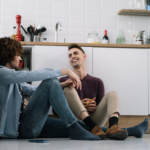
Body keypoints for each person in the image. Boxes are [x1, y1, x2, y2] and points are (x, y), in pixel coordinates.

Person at [0, 37, 101, 140]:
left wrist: (61, 85)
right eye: (17, 55)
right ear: (8, 55)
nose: (20, 58)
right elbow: (30, 75)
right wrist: (65, 71)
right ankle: (73, 127)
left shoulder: (12, 79)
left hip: (25, 122)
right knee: (51, 81)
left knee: (81, 125)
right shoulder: (2, 74)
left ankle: (106, 131)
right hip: (21, 130)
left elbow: (34, 90)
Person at [59, 43, 148, 140]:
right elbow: (57, 110)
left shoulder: (97, 82)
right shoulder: (64, 81)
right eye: (70, 55)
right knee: (68, 88)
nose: (72, 57)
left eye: (75, 53)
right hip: (74, 121)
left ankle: (113, 126)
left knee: (112, 94)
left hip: (96, 125)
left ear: (84, 56)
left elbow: (102, 109)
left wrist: (93, 107)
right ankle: (133, 131)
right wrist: (79, 105)